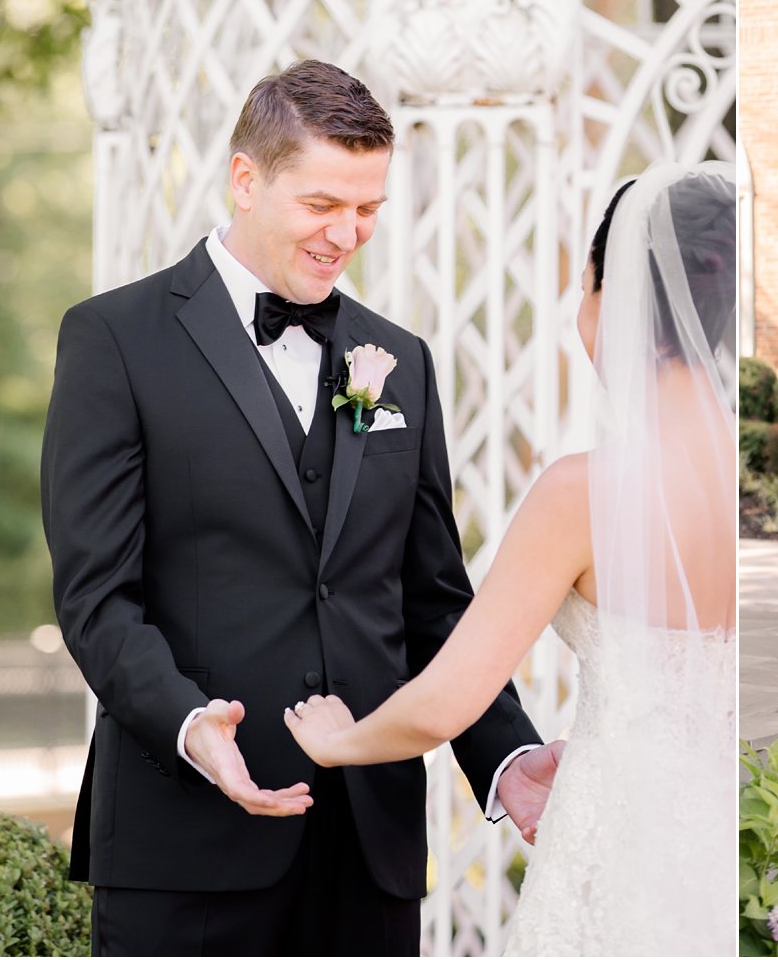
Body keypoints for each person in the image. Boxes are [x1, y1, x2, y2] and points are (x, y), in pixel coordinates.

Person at [42, 60, 561, 956]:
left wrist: (506, 756)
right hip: (186, 843)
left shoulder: (398, 356)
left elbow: (433, 600)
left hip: (369, 850)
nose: (348, 233)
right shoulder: (114, 340)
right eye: (323, 204)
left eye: (368, 209)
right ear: (246, 179)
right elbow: (97, 600)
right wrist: (194, 725)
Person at [285, 162, 738, 955]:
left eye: (586, 285)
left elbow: (445, 700)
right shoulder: (750, 488)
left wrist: (337, 742)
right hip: (725, 834)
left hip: (618, 840)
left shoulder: (586, 492)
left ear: (613, 296)